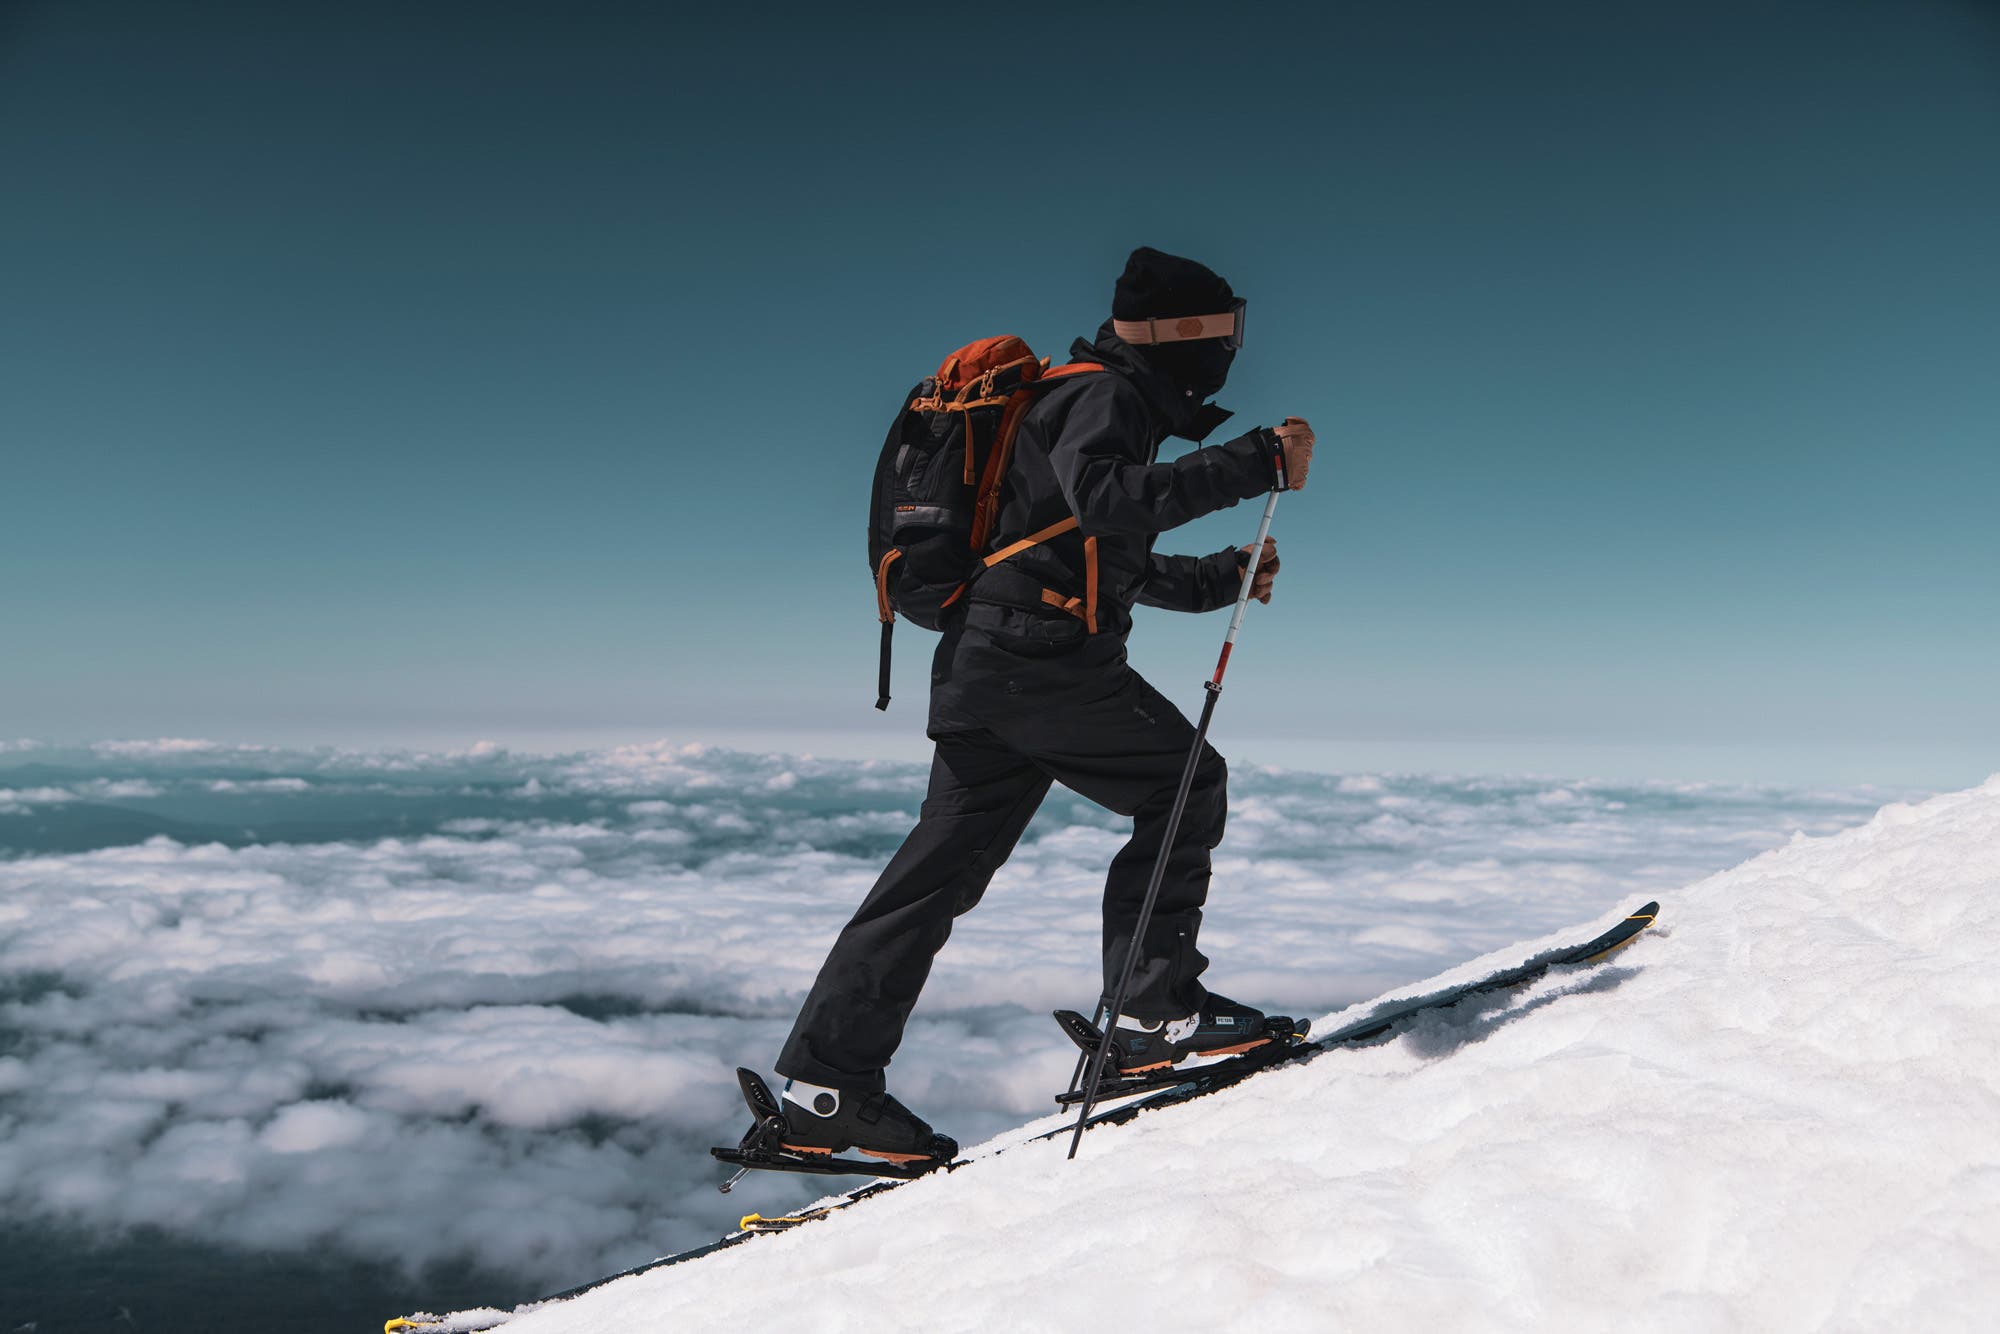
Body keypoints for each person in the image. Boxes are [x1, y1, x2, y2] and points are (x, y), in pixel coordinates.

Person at [771, 247, 1316, 1165]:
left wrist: (1222, 577)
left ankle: (827, 1088)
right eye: (1224, 332)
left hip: (984, 665)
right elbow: (1110, 505)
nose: (1229, 349)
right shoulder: (1105, 395)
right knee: (1186, 783)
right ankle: (1154, 1015)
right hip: (1038, 663)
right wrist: (1254, 461)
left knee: (932, 880)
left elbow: (1092, 557)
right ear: (1191, 335)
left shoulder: (1074, 399)